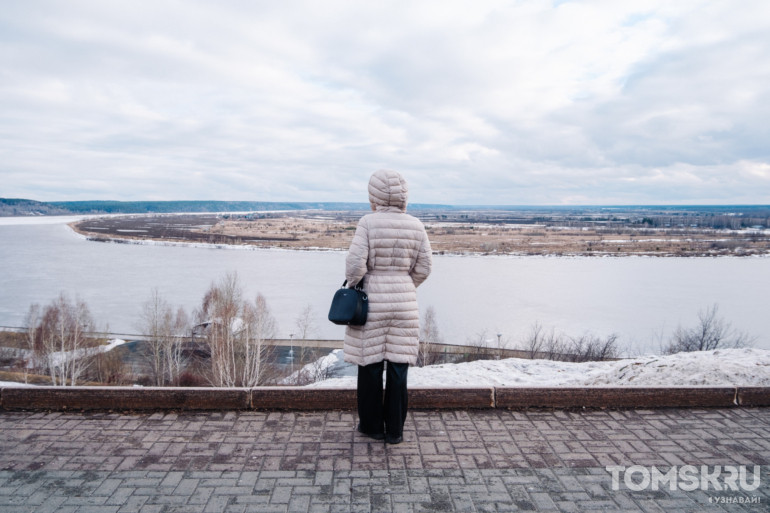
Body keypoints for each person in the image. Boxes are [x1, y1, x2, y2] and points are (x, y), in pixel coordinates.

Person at [343, 169, 432, 444]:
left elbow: (354, 265)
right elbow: (425, 267)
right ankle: (394, 430)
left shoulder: (368, 223)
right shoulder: (417, 225)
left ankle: (371, 426)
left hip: (372, 303)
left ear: (375, 195)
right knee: (398, 367)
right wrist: (404, 285)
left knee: (369, 365)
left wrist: (359, 284)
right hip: (405, 303)